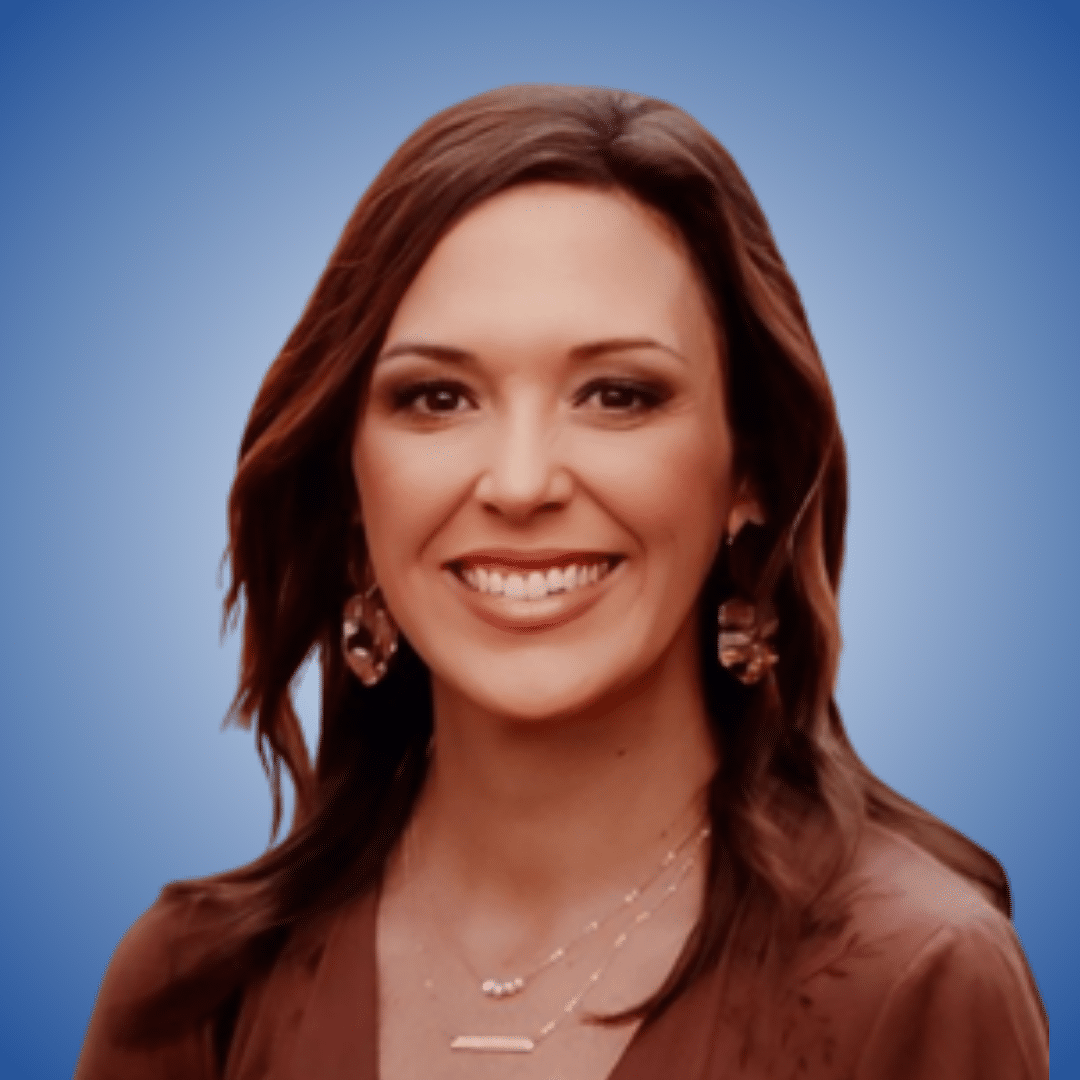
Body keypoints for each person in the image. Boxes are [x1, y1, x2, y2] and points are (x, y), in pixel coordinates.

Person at [74, 84, 1049, 1080]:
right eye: (438, 397)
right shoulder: (196, 986)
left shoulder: (916, 977)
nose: (521, 482)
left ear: (749, 471)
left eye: (618, 395)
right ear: (352, 489)